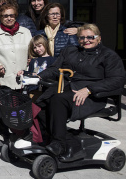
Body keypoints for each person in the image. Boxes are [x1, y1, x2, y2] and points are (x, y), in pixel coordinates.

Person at [38, 24, 126, 162]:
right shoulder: (70, 51)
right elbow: (55, 69)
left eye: (90, 37)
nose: (86, 40)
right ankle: (62, 139)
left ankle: (62, 145)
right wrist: (38, 76)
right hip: (69, 88)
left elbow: (117, 80)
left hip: (93, 96)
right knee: (40, 104)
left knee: (58, 100)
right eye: (82, 37)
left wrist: (89, 89)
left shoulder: (109, 56)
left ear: (99, 38)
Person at [0, 3, 32, 89]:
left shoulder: (26, 32)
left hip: (24, 80)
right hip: (4, 80)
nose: (9, 18)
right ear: (0, 17)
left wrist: (30, 63)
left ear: (15, 16)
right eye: (5, 16)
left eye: (11, 15)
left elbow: (32, 52)